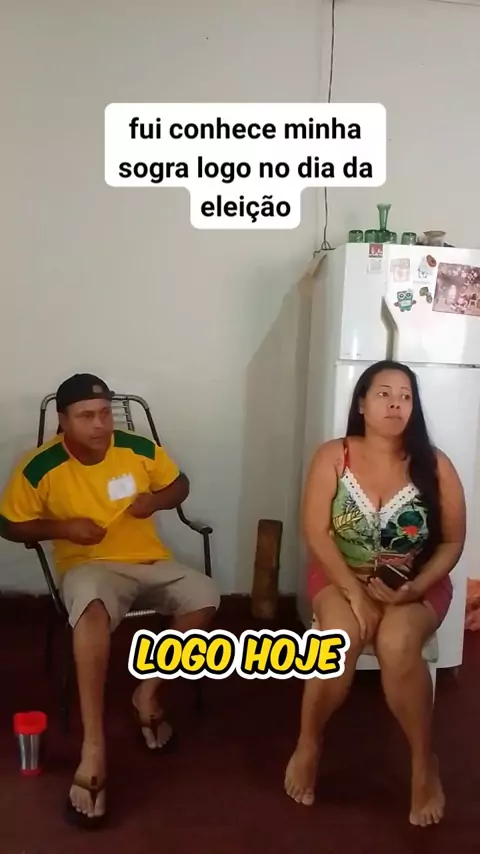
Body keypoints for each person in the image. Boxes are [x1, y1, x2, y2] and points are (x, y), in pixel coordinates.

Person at [0, 373, 220, 828]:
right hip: (90, 568)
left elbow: (180, 484)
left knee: (205, 594)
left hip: (150, 562)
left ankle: (147, 693)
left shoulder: (137, 448)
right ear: (63, 421)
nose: (100, 424)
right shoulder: (39, 466)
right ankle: (94, 747)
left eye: (104, 414)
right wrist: (62, 528)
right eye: (86, 416)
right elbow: (8, 524)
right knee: (91, 610)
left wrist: (156, 501)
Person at [284, 360, 466, 827]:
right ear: (362, 403)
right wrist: (355, 594)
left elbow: (452, 541)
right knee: (337, 639)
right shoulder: (334, 456)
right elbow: (316, 532)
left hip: (416, 581)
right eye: (384, 394)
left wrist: (415, 587)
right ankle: (309, 742)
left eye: (405, 396)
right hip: (339, 575)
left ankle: (423, 764)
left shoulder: (435, 465)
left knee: (398, 642)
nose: (395, 404)